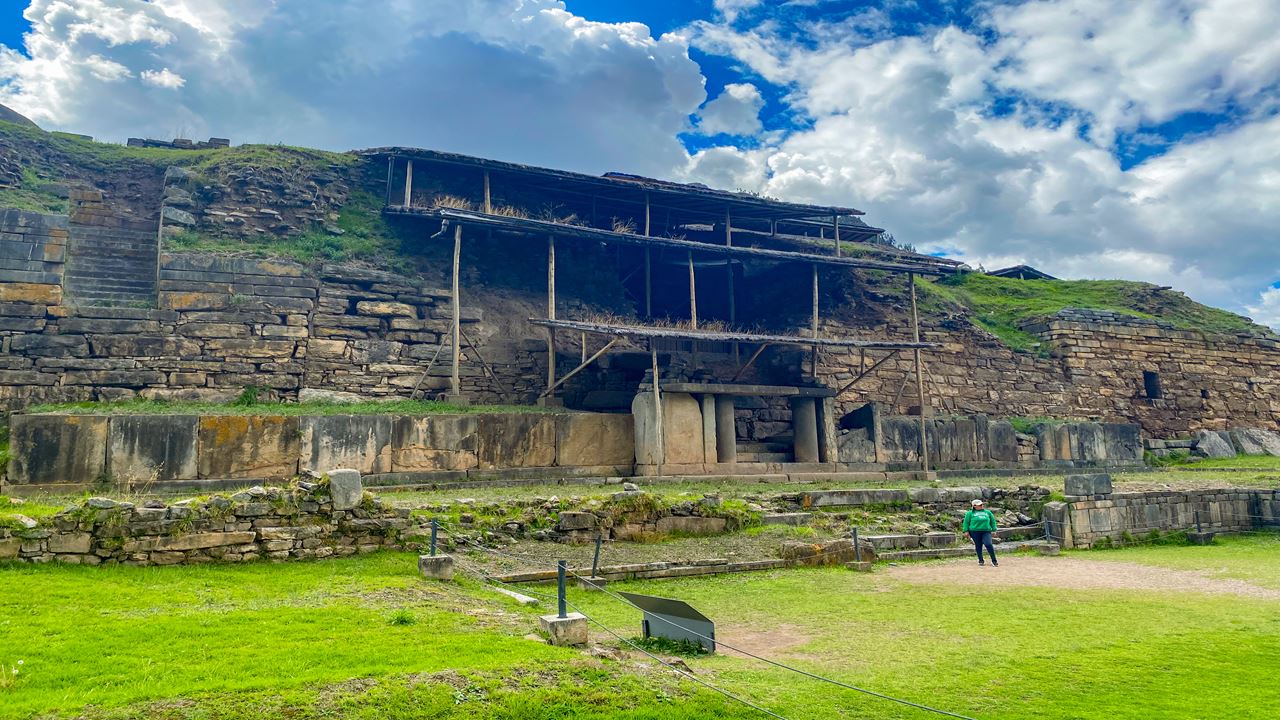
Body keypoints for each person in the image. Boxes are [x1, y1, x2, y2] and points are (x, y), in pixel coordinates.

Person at [962, 498, 998, 566]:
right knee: (978, 545)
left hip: (986, 531)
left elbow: (992, 521)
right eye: (980, 505)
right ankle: (981, 560)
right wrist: (965, 531)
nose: (981, 506)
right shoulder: (970, 513)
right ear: (974, 506)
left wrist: (994, 529)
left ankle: (994, 560)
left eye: (982, 504)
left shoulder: (987, 512)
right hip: (974, 531)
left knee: (988, 544)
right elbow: (966, 522)